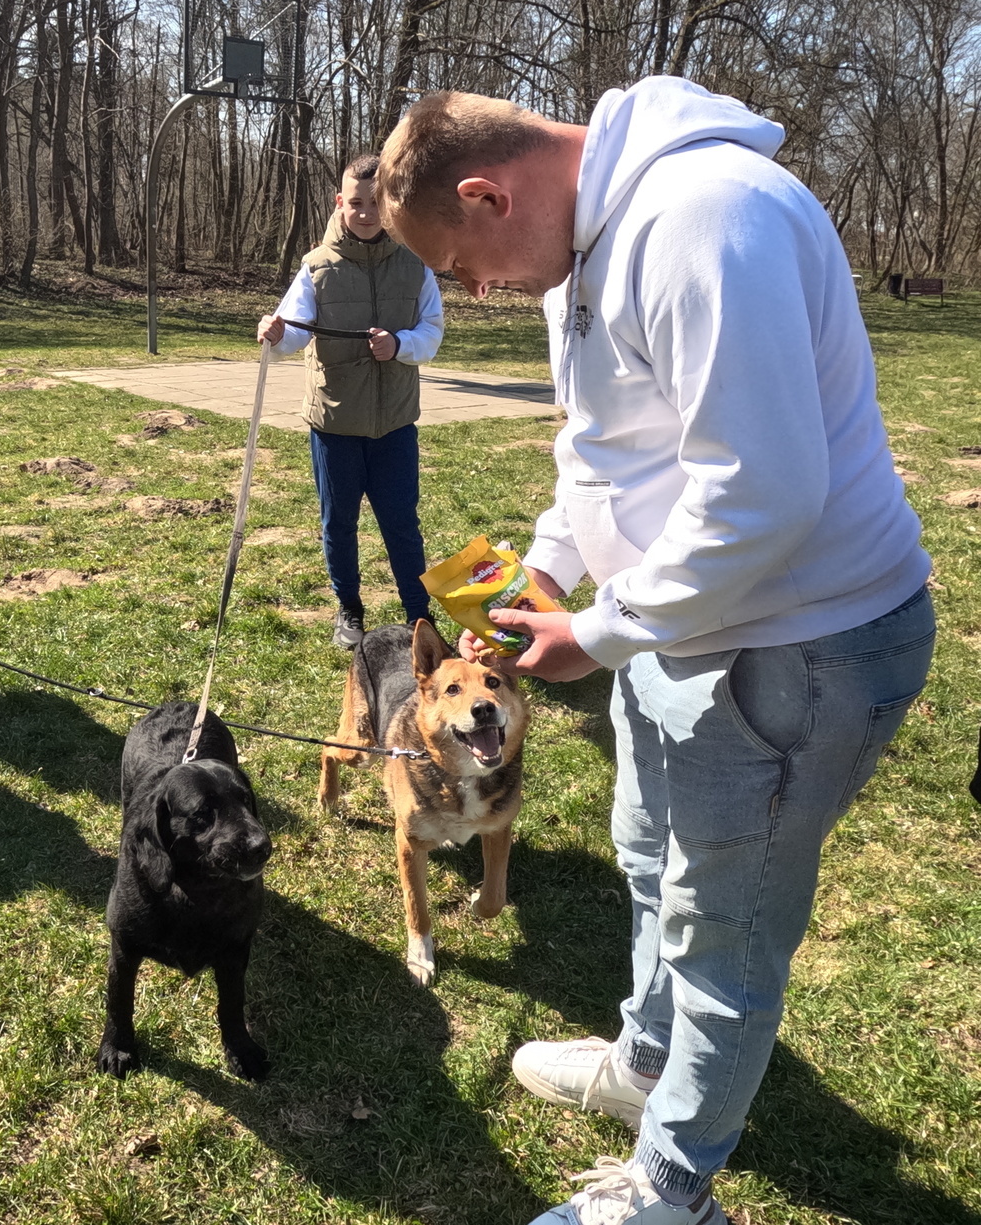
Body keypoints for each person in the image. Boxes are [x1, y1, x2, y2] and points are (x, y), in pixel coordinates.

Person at [377, 79, 934, 1225]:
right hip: (678, 628)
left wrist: (600, 631)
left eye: (461, 265)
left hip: (797, 644)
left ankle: (670, 1191)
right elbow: (598, 455)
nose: (475, 292)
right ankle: (642, 1064)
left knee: (721, 925)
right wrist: (546, 573)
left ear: (487, 193)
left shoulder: (703, 215)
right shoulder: (579, 252)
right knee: (646, 859)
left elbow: (762, 493)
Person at [257, 153, 445, 648]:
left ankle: (417, 616)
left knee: (402, 523)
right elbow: (291, 332)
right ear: (340, 203)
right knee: (338, 523)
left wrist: (400, 345)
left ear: (390, 204)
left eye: (376, 203)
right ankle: (349, 609)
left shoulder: (416, 265)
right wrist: (273, 334)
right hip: (334, 423)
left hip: (395, 425)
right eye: (356, 203)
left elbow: (432, 330)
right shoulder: (316, 268)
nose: (366, 213)